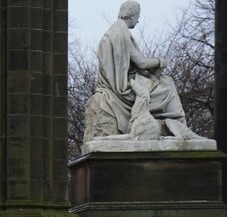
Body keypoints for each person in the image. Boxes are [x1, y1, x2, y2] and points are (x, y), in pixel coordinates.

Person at [84, 1, 199, 144]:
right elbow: (142, 63)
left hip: (110, 83)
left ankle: (176, 128)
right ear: (131, 15)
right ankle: (180, 126)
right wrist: (160, 61)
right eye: (138, 16)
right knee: (168, 84)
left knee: (162, 82)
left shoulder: (112, 32)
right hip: (124, 87)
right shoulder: (122, 34)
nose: (138, 20)